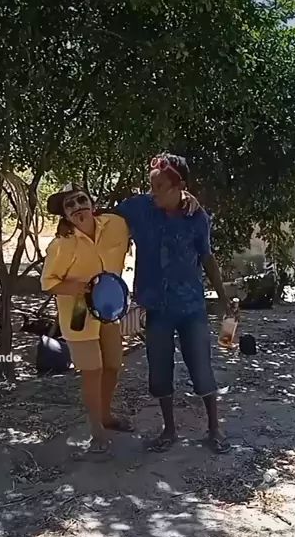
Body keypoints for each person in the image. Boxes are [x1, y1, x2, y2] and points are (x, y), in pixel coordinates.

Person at [113, 154, 233, 453]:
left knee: (201, 366)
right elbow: (104, 216)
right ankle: (169, 430)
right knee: (159, 369)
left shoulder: (197, 217)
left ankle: (214, 429)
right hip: (156, 308)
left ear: (179, 187)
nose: (153, 192)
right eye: (151, 186)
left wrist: (222, 297)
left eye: (160, 187)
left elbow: (207, 257)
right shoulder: (140, 208)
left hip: (191, 306)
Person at [41, 183, 131, 453]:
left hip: (109, 309)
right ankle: (96, 429)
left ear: (92, 203)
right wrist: (80, 289)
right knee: (93, 371)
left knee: (112, 365)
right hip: (78, 310)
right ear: (65, 215)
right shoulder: (62, 244)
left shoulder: (116, 225)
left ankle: (106, 415)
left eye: (81, 200)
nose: (77, 207)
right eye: (69, 205)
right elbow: (48, 282)